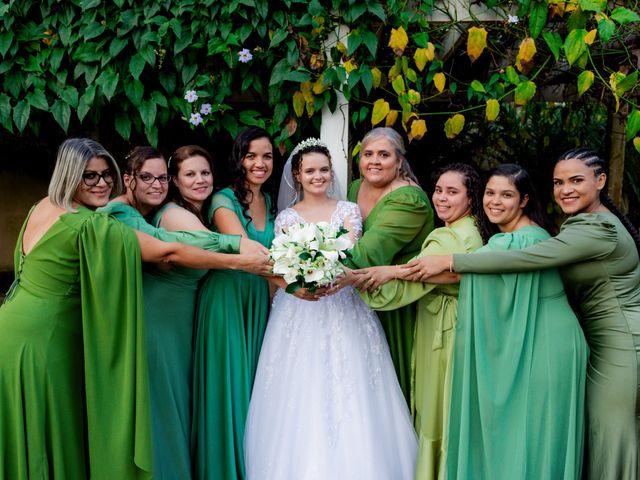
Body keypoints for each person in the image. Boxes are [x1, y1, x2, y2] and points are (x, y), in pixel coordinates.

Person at [407, 150, 640, 479]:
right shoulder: (583, 223)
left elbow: (532, 257)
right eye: (559, 182)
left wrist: (451, 261)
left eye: (576, 180)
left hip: (622, 346)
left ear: (600, 181)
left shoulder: (598, 229)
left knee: (613, 444)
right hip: (602, 342)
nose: (565, 189)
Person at [244, 138, 417, 479]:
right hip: (299, 309)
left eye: (324, 170)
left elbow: (350, 248)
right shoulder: (287, 217)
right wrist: (302, 276)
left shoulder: (349, 210)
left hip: (344, 304)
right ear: (297, 174)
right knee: (299, 385)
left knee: (351, 381)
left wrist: (326, 265)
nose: (318, 176)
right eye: (310, 171)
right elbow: (282, 265)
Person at [100, 145, 267, 479]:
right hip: (156, 326)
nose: (156, 184)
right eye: (147, 177)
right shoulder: (124, 213)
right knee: (164, 413)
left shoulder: (155, 211)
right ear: (129, 179)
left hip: (179, 328)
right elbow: (173, 247)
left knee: (176, 411)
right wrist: (236, 247)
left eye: (161, 177)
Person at [355, 164, 489, 480]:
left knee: (438, 409)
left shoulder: (451, 237)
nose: (441, 198)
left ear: (471, 198)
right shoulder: (471, 229)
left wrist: (358, 282)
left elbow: (409, 280)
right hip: (453, 323)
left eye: (452, 192)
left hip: (447, 329)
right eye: (439, 190)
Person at [192, 127, 277, 480]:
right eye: (251, 155)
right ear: (239, 158)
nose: (260, 163)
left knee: (256, 384)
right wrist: (297, 284)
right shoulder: (222, 200)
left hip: (257, 298)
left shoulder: (269, 201)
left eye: (267, 156)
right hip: (227, 296)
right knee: (230, 384)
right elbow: (249, 251)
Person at [343, 127, 434, 404]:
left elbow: (366, 255)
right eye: (368, 154)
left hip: (397, 301)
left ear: (399, 161)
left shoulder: (409, 200)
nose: (374, 161)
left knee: (391, 382)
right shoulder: (356, 187)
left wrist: (309, 266)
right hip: (361, 294)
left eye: (384, 155)